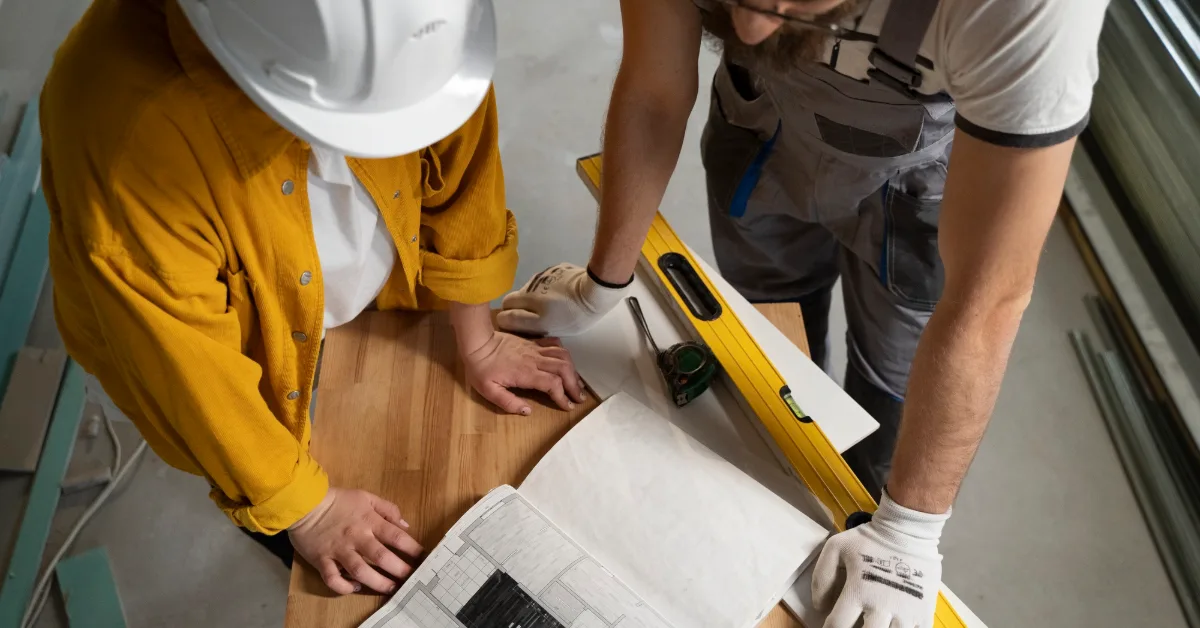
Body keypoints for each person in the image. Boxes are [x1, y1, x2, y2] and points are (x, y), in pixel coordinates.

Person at [498, 0, 1108, 625]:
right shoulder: (756, 25)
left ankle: (866, 500)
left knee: (888, 393)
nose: (750, 29)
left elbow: (988, 296)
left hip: (925, 190)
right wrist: (604, 280)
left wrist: (907, 533)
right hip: (765, 131)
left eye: (788, 3)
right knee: (769, 346)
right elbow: (655, 91)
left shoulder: (1024, 12)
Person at [41, 0, 584, 597]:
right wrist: (309, 511)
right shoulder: (125, 145)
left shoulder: (424, 34)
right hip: (189, 337)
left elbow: (463, 168)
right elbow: (194, 378)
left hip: (333, 281)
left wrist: (476, 340)